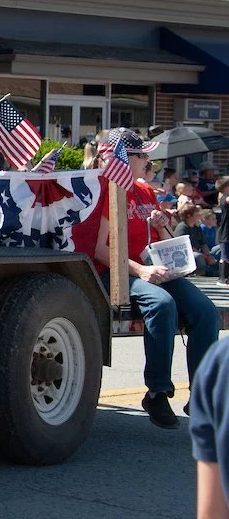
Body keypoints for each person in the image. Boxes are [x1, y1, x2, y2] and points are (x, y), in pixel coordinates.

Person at [75, 128, 219, 429]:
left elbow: (163, 243)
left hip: (149, 269)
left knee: (206, 311)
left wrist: (163, 225)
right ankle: (157, 392)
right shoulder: (106, 189)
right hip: (112, 272)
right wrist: (141, 271)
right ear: (122, 159)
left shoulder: (144, 191)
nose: (148, 162)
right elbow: (99, 249)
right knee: (162, 304)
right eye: (142, 155)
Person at [189, 336, 229, 518]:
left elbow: (213, 513)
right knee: (162, 316)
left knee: (206, 319)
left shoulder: (220, 361)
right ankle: (158, 390)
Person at [174, 204, 213, 275]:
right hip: (186, 256)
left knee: (218, 250)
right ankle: (206, 272)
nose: (199, 216)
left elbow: (203, 244)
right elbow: (186, 248)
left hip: (200, 253)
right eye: (197, 214)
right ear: (189, 215)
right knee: (198, 256)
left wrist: (208, 255)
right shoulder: (182, 228)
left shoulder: (197, 227)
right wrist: (205, 257)